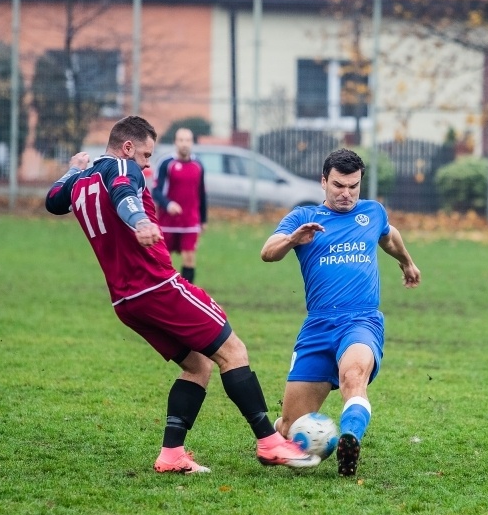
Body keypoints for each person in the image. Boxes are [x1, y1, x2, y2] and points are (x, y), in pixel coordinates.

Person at [45, 116, 319, 473]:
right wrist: (139, 221)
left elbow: (53, 201)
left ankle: (171, 453)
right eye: (146, 154)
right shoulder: (123, 167)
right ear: (128, 147)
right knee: (233, 350)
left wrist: (71, 170)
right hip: (158, 287)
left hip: (125, 301)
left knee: (197, 364)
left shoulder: (81, 180)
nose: (147, 163)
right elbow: (125, 194)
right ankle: (270, 443)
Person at [260, 148, 421, 476]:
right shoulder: (302, 218)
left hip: (361, 319)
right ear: (323, 182)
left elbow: (390, 238)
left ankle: (350, 439)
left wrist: (407, 263)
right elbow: (267, 253)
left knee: (353, 376)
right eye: (338, 185)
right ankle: (282, 435)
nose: (346, 193)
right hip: (318, 326)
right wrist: (293, 240)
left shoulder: (372, 213)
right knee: (290, 426)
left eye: (353, 186)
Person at [152, 127, 207, 284]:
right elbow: (156, 191)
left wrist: (203, 219)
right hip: (167, 222)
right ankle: (163, 290)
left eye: (188, 140)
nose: (184, 144)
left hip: (190, 221)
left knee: (189, 258)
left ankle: (187, 293)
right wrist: (168, 204)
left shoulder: (198, 165)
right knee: (164, 261)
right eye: (181, 140)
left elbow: (202, 194)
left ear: (192, 142)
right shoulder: (166, 164)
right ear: (176, 142)